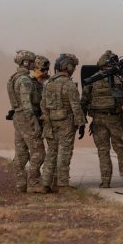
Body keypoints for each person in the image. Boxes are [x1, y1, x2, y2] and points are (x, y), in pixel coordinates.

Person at [82, 50, 123, 187]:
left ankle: (106, 181)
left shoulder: (92, 79)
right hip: (115, 119)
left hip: (98, 120)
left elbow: (83, 101)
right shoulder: (119, 79)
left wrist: (82, 120)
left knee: (103, 150)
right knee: (121, 149)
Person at [40, 53, 85, 192]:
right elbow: (76, 106)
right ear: (68, 66)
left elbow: (43, 105)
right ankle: (63, 185)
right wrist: (81, 123)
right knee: (64, 153)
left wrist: (47, 119)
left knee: (51, 152)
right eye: (73, 66)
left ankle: (45, 184)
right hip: (66, 122)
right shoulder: (69, 84)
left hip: (51, 122)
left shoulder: (49, 84)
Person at [6, 49, 45, 194]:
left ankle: (20, 183)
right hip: (27, 118)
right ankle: (33, 183)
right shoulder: (24, 80)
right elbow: (27, 104)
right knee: (39, 152)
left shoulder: (13, 78)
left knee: (21, 153)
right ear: (26, 62)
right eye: (32, 62)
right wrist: (34, 122)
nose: (35, 64)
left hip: (18, 117)